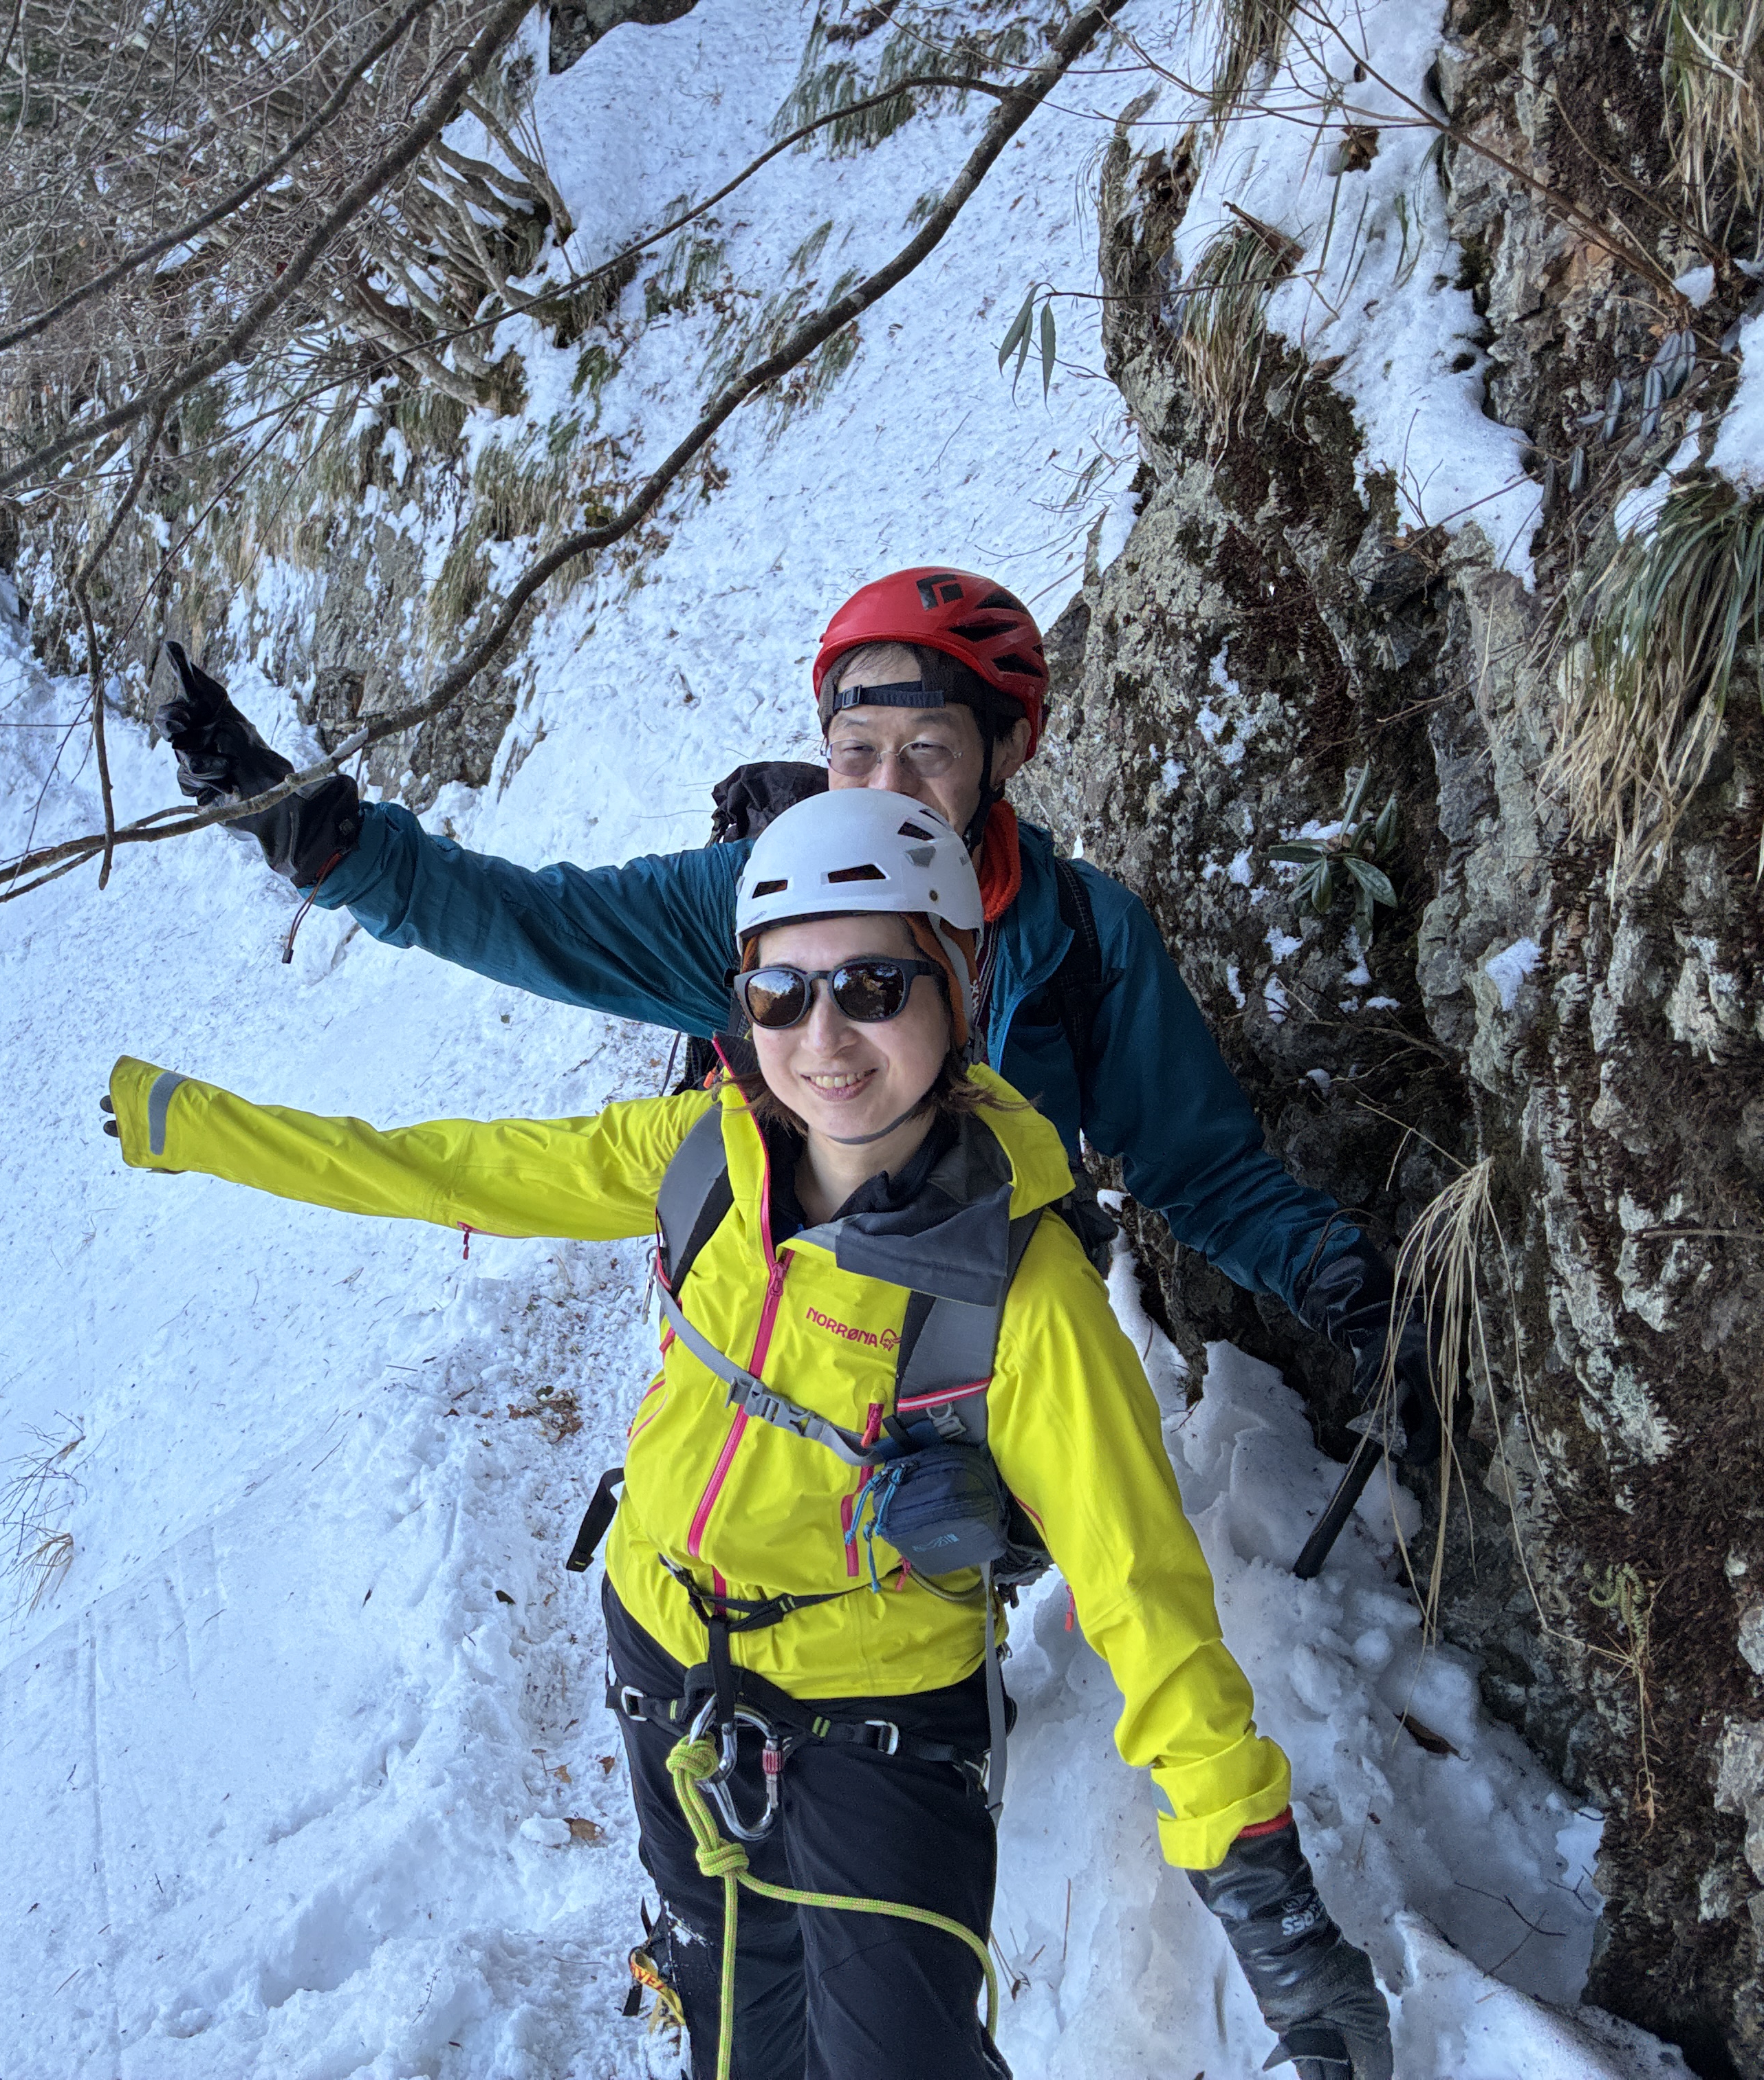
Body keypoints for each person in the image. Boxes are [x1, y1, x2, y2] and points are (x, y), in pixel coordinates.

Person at [99, 790, 1394, 2080]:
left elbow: (1144, 1596)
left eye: (874, 986)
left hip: (881, 1720)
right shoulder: (704, 1158)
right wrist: (197, 1130)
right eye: (780, 994)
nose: (823, 1038)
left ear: (957, 988)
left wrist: (1268, 1904)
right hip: (665, 1660)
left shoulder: (1026, 1295)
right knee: (736, 2032)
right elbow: (454, 1169)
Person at [153, 567, 1439, 1482]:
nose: (889, 787)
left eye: (929, 750)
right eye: (856, 749)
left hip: (976, 1362)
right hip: (776, 1338)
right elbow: (536, 923)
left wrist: (1341, 1284)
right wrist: (322, 837)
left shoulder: (1085, 940)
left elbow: (1199, 1167)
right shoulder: (757, 902)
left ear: (1008, 751)